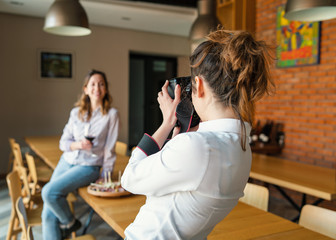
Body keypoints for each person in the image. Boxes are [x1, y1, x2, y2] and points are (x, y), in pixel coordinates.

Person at [121, 29, 274, 239]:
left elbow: (129, 179)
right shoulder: (242, 146)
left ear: (199, 85)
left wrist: (167, 122)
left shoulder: (195, 146)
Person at [41, 69, 119, 239]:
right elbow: (63, 143)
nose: (97, 88)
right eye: (92, 84)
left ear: (105, 89)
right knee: (47, 214)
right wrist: (78, 144)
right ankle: (70, 222)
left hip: (88, 166)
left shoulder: (111, 115)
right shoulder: (76, 113)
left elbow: (109, 149)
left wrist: (105, 176)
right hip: (67, 160)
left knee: (48, 193)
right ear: (85, 89)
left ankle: (69, 222)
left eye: (101, 84)